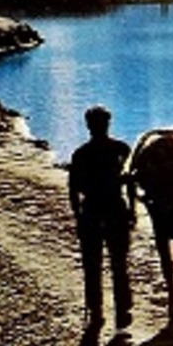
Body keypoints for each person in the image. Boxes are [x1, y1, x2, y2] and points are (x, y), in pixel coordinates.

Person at [68, 104, 135, 334]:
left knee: (93, 265)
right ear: (108, 123)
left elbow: (73, 190)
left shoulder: (80, 154)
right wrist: (132, 210)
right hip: (114, 209)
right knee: (118, 263)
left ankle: (97, 311)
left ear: (88, 125)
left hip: (93, 211)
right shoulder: (121, 150)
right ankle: (122, 311)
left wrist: (78, 216)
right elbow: (131, 184)